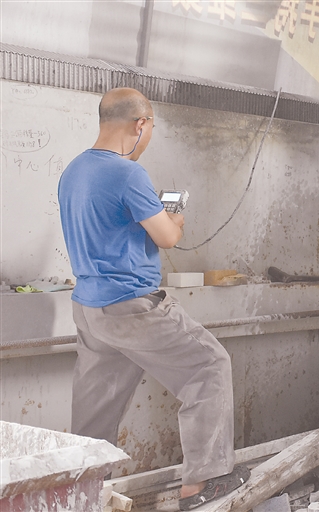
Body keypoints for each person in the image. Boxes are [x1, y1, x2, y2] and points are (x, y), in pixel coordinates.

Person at [58, 87, 249, 511]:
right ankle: (201, 484)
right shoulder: (128, 174)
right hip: (132, 306)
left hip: (89, 308)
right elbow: (166, 237)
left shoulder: (73, 171)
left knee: (94, 414)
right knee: (209, 365)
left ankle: (79, 496)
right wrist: (174, 219)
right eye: (150, 129)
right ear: (140, 125)